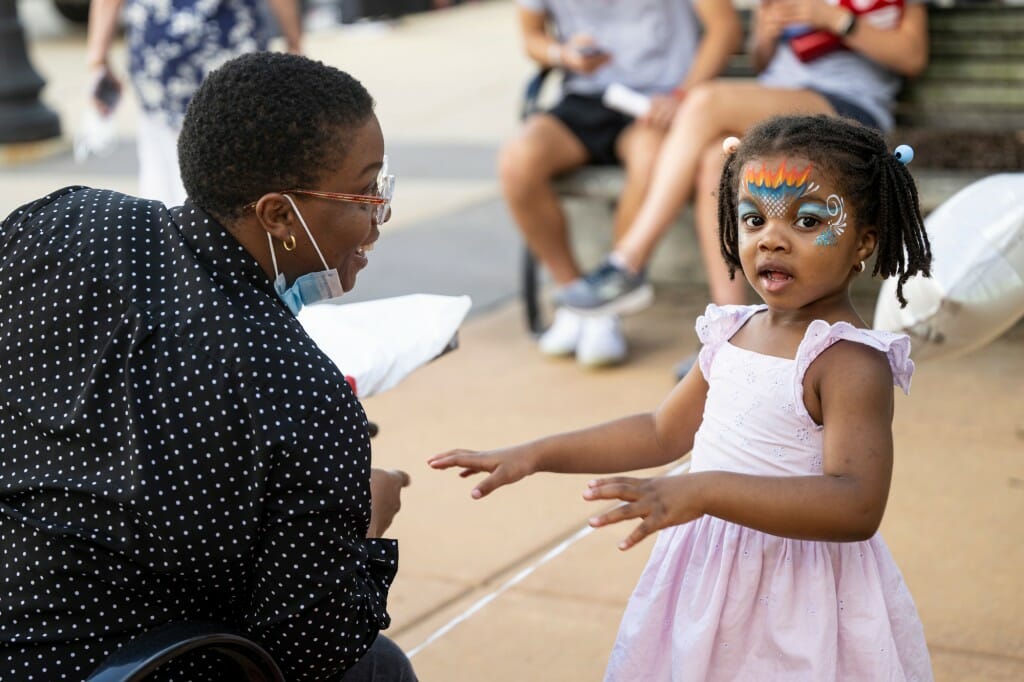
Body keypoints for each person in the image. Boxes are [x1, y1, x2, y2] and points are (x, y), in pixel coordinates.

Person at [431, 115, 934, 680]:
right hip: (707, 580)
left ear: (864, 240)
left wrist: (703, 490)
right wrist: (537, 454)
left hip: (802, 596)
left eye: (809, 219)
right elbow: (660, 431)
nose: (770, 236)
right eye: (753, 217)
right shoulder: (732, 330)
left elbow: (856, 505)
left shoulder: (847, 361)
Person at [1, 53, 416, 681]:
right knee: (379, 667)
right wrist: (364, 524)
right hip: (120, 664)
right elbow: (313, 647)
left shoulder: (61, 224)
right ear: (278, 214)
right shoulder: (300, 388)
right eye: (364, 193)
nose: (376, 220)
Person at [560, 0, 928, 375]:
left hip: (848, 107)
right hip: (775, 105)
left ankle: (629, 261)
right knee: (714, 164)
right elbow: (761, 62)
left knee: (705, 101)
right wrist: (767, 36)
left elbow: (911, 56)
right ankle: (728, 335)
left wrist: (832, 18)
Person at [501, 0, 742, 367]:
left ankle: (609, 296)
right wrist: (562, 54)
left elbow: (724, 28)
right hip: (583, 98)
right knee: (517, 161)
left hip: (658, 102)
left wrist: (683, 96)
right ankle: (577, 300)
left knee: (648, 160)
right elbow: (531, 36)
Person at [84, 0, 303, 206]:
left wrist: (98, 58)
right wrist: (294, 42)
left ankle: (166, 237)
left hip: (158, 55)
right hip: (228, 49)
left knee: (161, 165)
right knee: (233, 170)